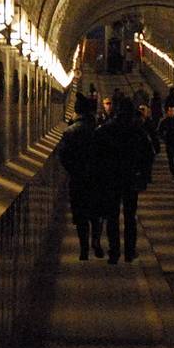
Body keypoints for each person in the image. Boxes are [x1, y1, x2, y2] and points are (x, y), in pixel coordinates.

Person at [91, 96, 155, 265]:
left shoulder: (105, 129)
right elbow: (149, 154)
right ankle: (130, 252)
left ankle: (114, 252)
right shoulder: (138, 131)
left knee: (112, 216)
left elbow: (95, 155)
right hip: (131, 179)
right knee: (130, 217)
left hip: (111, 179)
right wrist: (144, 176)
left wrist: (99, 177)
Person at [58, 93, 104, 259]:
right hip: (98, 179)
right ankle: (96, 242)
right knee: (96, 214)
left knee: (81, 216)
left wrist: (74, 170)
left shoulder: (70, 132)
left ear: (76, 112)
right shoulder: (100, 130)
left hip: (78, 180)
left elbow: (63, 156)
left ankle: (84, 249)